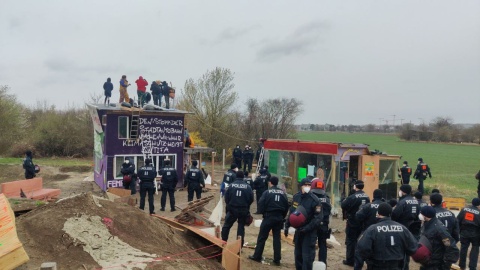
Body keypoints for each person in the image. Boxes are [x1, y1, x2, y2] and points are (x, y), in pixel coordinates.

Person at [357, 202, 418, 270]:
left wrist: (368, 259)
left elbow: (362, 249)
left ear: (378, 213)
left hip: (377, 265)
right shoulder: (402, 228)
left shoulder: (372, 229)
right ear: (391, 213)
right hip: (397, 265)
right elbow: (413, 247)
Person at [249, 176, 289, 266]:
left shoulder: (267, 192)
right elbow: (287, 206)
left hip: (268, 217)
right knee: (277, 239)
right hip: (279, 218)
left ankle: (257, 256)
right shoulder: (283, 193)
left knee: (262, 237)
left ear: (270, 183)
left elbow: (261, 203)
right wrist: (282, 216)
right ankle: (277, 259)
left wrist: (263, 213)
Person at [284, 177, 322, 270]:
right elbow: (292, 212)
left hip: (309, 233)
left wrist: (307, 228)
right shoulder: (296, 197)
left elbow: (318, 218)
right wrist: (287, 225)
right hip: (298, 232)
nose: (307, 187)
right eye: (305, 185)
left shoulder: (315, 200)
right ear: (301, 186)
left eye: (309, 185)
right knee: (298, 256)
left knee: (307, 258)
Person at [418, 206, 459, 270]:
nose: (420, 215)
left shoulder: (439, 229)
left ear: (426, 215)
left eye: (421, 213)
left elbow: (450, 247)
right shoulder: (426, 224)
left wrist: (446, 265)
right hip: (427, 262)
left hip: (436, 264)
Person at [341, 180, 370, 266]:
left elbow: (343, 205)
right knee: (360, 241)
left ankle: (350, 260)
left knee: (350, 241)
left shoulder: (352, 197)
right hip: (362, 222)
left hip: (352, 221)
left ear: (355, 186)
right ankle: (359, 260)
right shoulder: (367, 197)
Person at [221, 170, 254, 246]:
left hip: (232, 209)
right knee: (241, 227)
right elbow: (251, 199)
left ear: (236, 176)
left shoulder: (231, 186)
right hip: (243, 209)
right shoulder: (248, 187)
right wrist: (246, 206)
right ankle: (239, 246)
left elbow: (226, 198)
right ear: (243, 177)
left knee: (226, 226)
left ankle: (223, 241)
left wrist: (229, 206)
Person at [391, 184, 420, 269]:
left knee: (401, 249)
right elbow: (418, 215)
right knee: (407, 248)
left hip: (402, 226)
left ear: (403, 192)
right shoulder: (415, 201)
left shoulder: (402, 202)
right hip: (412, 227)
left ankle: (403, 267)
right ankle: (405, 265)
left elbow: (395, 215)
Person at [355, 189, 384, 270]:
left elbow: (358, 216)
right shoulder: (385, 206)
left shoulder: (368, 206)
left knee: (359, 252)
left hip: (367, 232)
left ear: (374, 195)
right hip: (382, 232)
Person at [311, 178, 332, 265]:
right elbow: (329, 213)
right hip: (324, 225)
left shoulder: (311, 198)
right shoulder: (327, 199)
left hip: (313, 225)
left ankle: (310, 263)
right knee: (322, 245)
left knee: (311, 245)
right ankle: (322, 264)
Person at [457, 198, 480, 270]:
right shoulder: (479, 212)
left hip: (464, 232)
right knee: (475, 249)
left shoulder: (464, 209)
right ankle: (472, 267)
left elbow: (458, 220)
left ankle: (462, 265)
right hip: (475, 233)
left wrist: (459, 231)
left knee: (463, 248)